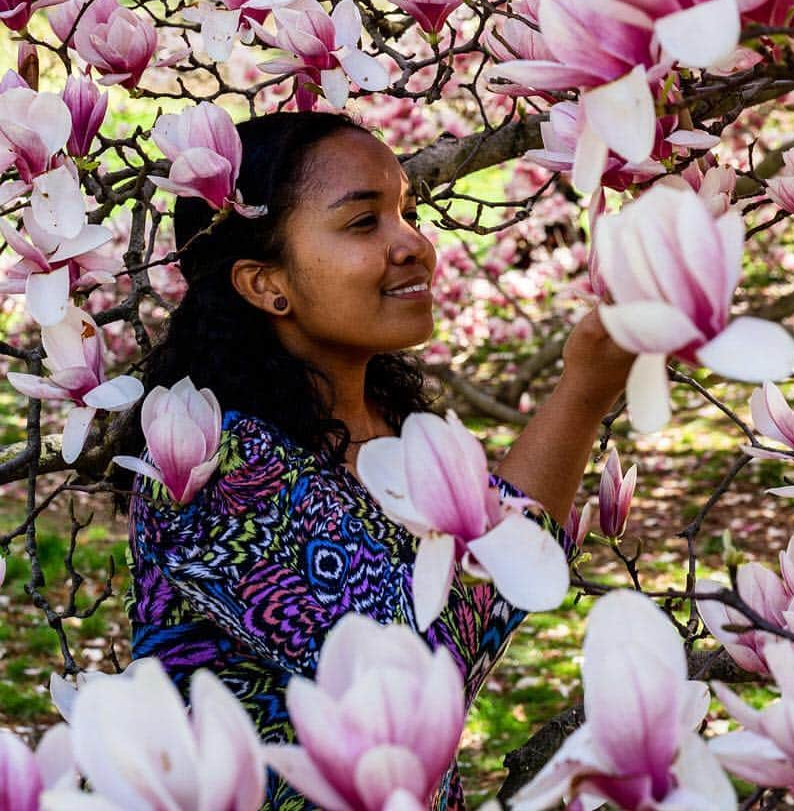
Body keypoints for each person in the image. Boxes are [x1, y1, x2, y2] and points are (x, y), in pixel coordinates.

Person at [116, 110, 634, 810]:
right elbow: (419, 681)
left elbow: (506, 565)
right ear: (266, 283)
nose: (413, 243)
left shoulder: (393, 426)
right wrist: (580, 392)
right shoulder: (214, 465)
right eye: (364, 223)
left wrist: (588, 386)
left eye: (407, 213)